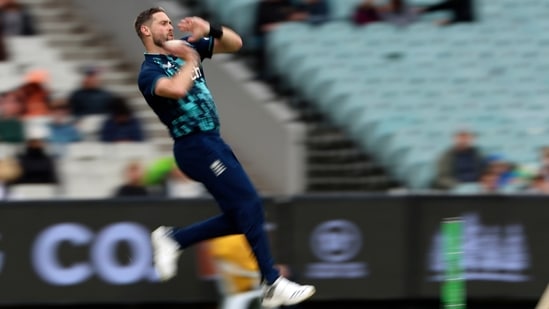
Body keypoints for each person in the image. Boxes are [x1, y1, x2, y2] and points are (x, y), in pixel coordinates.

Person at [134, 7, 315, 308]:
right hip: (194, 145)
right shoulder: (149, 71)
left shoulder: (186, 48)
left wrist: (211, 29)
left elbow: (235, 44)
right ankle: (271, 281)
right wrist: (190, 57)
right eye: (163, 23)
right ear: (146, 31)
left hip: (213, 142)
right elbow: (177, 90)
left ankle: (175, 239)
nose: (169, 27)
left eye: (169, 22)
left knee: (241, 216)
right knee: (251, 204)